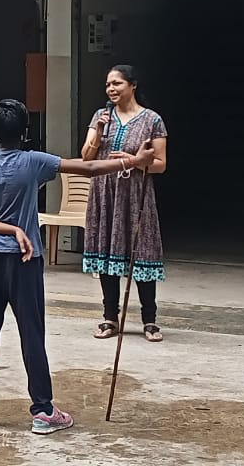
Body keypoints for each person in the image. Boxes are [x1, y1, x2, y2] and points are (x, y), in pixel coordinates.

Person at [0, 99, 154, 434]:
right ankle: (43, 411)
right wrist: (135, 160)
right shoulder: (34, 162)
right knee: (31, 334)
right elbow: (88, 168)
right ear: (26, 131)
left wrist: (6, 229)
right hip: (26, 260)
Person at [81, 64, 169, 342]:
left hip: (135, 194)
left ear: (133, 85)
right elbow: (86, 158)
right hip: (105, 193)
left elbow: (161, 165)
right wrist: (98, 132)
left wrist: (133, 162)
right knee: (107, 252)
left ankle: (150, 320)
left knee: (140, 251)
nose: (111, 89)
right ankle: (110, 317)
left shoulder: (152, 120)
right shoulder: (100, 116)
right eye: (108, 85)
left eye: (117, 83)